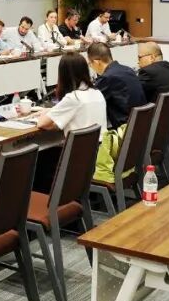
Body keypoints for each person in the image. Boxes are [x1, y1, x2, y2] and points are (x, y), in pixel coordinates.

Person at [35, 53, 106, 191]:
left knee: (40, 156)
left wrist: (46, 113)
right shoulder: (97, 93)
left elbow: (41, 124)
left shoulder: (73, 98)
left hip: (78, 159)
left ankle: (42, 199)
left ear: (64, 74)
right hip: (97, 154)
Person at [86, 42, 146, 130]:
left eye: (90, 64)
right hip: (142, 124)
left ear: (96, 62)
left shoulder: (107, 78)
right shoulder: (128, 70)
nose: (91, 67)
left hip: (125, 130)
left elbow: (90, 102)